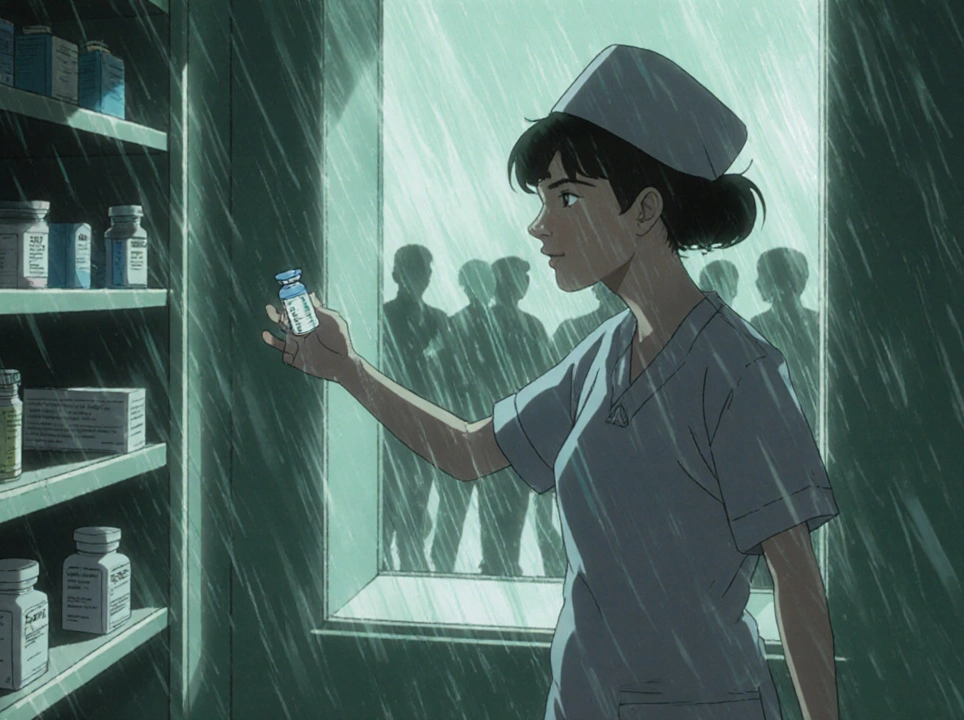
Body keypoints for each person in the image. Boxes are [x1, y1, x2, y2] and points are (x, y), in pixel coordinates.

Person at [261, 44, 839, 720]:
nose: (539, 226)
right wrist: (347, 370)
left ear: (645, 209)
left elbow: (796, 581)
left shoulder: (740, 373)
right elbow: (472, 452)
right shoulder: (601, 356)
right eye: (541, 199)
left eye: (567, 196)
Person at [481, 257, 558, 577]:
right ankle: (498, 564)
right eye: (515, 278)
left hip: (512, 428)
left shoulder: (531, 325)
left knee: (510, 504)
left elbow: (545, 375)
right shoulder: (491, 323)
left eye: (523, 279)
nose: (521, 285)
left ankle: (502, 564)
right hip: (501, 426)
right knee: (502, 504)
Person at [378, 244, 450, 572]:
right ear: (396, 274)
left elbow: (449, 374)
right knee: (386, 505)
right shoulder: (381, 315)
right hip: (390, 425)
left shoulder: (439, 319)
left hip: (424, 427)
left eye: (425, 270)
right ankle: (387, 566)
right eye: (415, 269)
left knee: (418, 504)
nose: (423, 277)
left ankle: (410, 567)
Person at [429, 259, 501, 573]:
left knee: (486, 505)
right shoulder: (453, 326)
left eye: (485, 282)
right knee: (459, 504)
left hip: (484, 427)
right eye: (476, 282)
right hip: (467, 427)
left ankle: (488, 562)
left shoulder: (465, 325)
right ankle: (445, 561)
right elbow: (437, 373)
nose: (482, 289)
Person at [750, 247, 820, 433]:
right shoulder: (816, 323)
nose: (756, 282)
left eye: (761, 274)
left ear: (776, 279)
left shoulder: (759, 325)